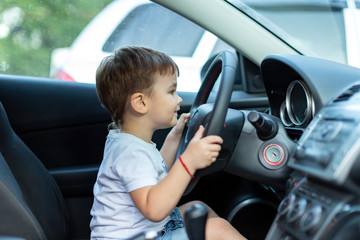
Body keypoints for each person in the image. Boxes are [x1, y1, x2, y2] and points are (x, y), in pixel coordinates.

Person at [90, 46, 246, 240]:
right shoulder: (130, 153)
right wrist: (189, 161)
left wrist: (175, 135)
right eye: (172, 91)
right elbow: (154, 209)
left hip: (145, 232)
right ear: (140, 103)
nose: (179, 99)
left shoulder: (128, 142)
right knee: (218, 229)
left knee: (198, 209)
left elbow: (154, 172)